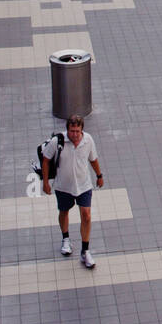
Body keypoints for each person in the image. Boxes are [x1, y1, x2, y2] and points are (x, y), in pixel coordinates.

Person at [41, 114, 104, 270]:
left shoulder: (88, 140)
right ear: (67, 129)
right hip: (63, 186)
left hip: (84, 185)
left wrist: (99, 175)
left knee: (86, 215)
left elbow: (93, 159)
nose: (74, 134)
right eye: (71, 131)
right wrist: (46, 182)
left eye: (77, 131)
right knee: (63, 212)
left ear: (82, 130)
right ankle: (66, 239)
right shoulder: (58, 141)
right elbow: (46, 159)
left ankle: (85, 250)